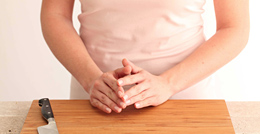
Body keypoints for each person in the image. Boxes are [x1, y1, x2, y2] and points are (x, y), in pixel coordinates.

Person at [40, 0, 249, 113]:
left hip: (185, 102)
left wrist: (168, 84)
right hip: (96, 100)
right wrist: (90, 79)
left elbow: (234, 28)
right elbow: (55, 15)